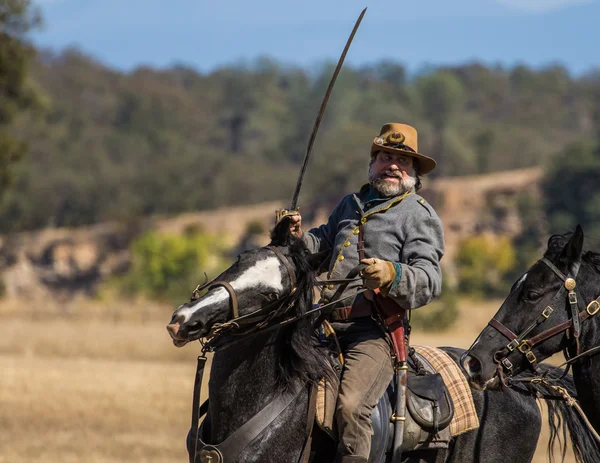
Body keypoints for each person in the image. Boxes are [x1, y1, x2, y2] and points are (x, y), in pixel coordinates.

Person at [288, 123, 444, 463]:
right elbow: (320, 246)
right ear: (372, 163)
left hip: (373, 332)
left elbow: (431, 280)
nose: (393, 165)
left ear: (415, 173)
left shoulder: (418, 214)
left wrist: (392, 274)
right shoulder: (350, 204)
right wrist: (296, 237)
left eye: (403, 160)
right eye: (386, 156)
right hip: (322, 328)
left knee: (350, 406)